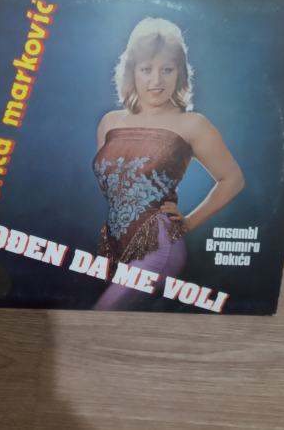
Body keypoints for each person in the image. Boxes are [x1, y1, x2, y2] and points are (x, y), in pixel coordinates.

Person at [92, 17, 245, 310]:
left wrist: (187, 223)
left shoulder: (193, 124)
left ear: (180, 74)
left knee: (101, 315)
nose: (156, 81)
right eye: (146, 69)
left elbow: (233, 179)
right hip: (114, 244)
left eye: (167, 69)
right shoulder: (109, 123)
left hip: (158, 248)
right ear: (132, 72)